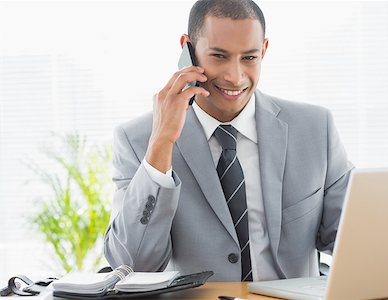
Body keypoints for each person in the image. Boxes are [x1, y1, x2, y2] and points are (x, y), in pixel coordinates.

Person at [104, 0, 354, 282]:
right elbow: (132, 264)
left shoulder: (314, 128)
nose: (235, 78)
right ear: (188, 49)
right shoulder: (138, 140)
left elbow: (355, 243)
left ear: (264, 51)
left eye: (249, 58)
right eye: (219, 56)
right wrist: (161, 144)